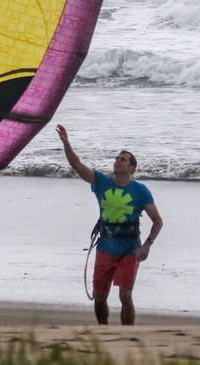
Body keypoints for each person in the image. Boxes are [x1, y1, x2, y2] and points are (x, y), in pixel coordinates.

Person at [57, 124, 162, 325]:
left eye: (123, 160)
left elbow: (157, 221)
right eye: (116, 158)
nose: (117, 162)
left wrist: (147, 244)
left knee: (125, 295)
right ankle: (103, 330)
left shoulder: (141, 191)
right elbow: (77, 164)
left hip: (130, 248)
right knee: (99, 296)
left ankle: (128, 334)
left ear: (132, 168)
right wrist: (66, 144)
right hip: (105, 246)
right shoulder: (101, 182)